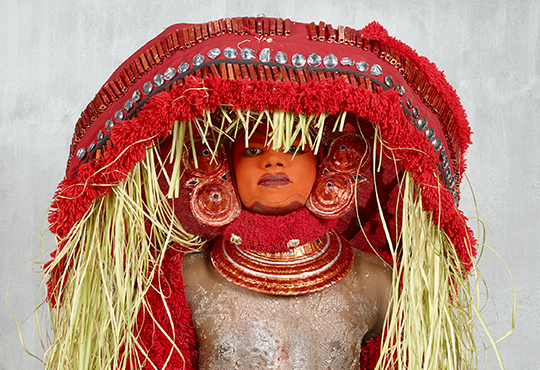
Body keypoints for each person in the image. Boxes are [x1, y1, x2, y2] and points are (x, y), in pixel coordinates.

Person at [43, 17, 480, 370]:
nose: (273, 162)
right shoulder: (187, 278)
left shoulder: (374, 281)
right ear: (225, 168)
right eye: (254, 149)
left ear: (327, 162)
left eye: (292, 148)